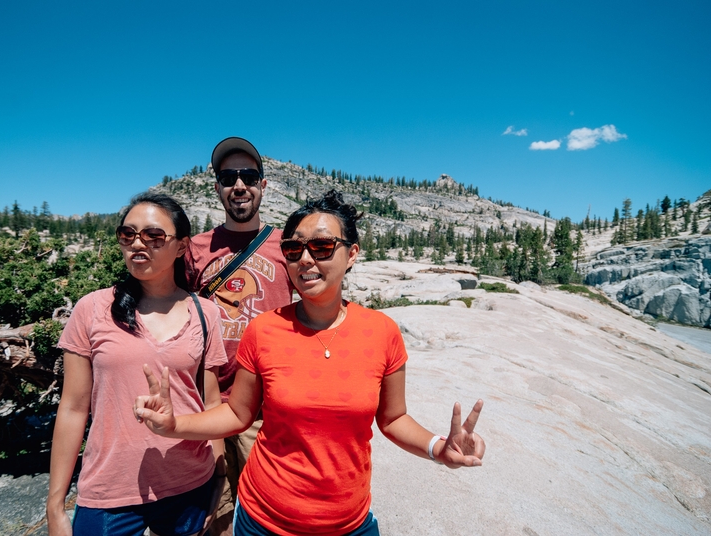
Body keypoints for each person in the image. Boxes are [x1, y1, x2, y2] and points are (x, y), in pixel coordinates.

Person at [135, 190, 486, 535]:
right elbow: (238, 414)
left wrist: (439, 448)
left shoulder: (382, 332)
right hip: (263, 521)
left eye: (321, 247)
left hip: (349, 524)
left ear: (352, 254)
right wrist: (174, 425)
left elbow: (393, 419)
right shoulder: (264, 330)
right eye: (293, 248)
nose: (305, 259)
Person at [47, 192, 228, 536]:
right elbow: (72, 408)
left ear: (180, 247)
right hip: (109, 490)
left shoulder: (206, 314)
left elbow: (211, 402)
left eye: (154, 236)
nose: (137, 244)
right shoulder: (91, 309)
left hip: (190, 482)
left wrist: (219, 477)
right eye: (127, 235)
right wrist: (55, 505)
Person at [184, 137, 294, 535]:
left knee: (267, 513)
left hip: (264, 411)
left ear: (263, 185)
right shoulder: (195, 249)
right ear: (217, 187)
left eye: (248, 176)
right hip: (205, 401)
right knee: (212, 514)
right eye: (228, 177)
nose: (239, 185)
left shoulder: (287, 246)